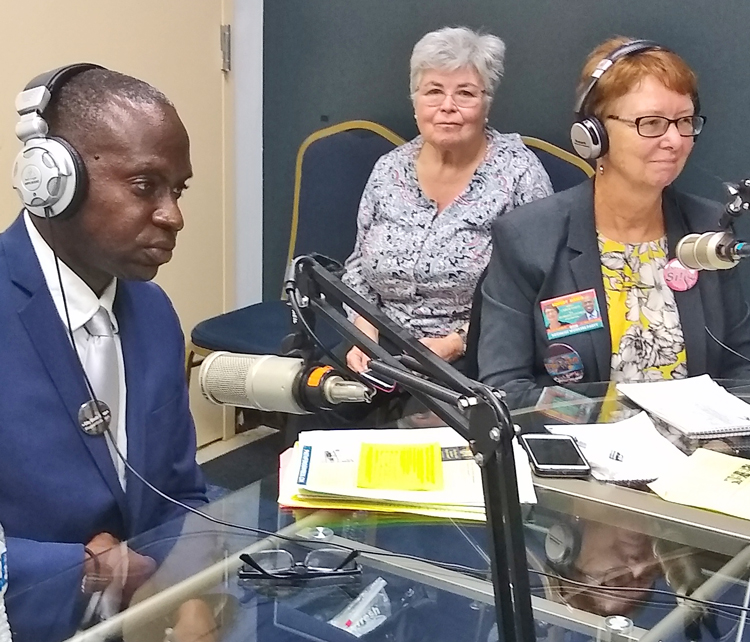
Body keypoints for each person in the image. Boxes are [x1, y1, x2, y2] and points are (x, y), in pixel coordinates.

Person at [0, 66, 214, 642]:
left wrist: (192, 596)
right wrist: (83, 569)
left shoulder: (156, 313)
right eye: (145, 185)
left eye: (178, 190)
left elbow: (181, 491)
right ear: (52, 181)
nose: (173, 215)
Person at [478, 37, 750, 395]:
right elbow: (506, 388)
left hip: (700, 449)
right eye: (651, 123)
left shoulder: (708, 230)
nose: (674, 140)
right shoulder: (528, 238)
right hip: (581, 446)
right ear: (594, 135)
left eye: (684, 121)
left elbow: (741, 368)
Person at [343, 26, 552, 375]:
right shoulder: (388, 169)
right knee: (321, 402)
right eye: (433, 91)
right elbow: (356, 266)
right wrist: (362, 328)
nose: (447, 107)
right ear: (415, 101)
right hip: (376, 345)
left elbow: (540, 290)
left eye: (465, 94)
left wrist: (456, 342)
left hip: (473, 354)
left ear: (486, 104)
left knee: (414, 426)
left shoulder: (520, 174)